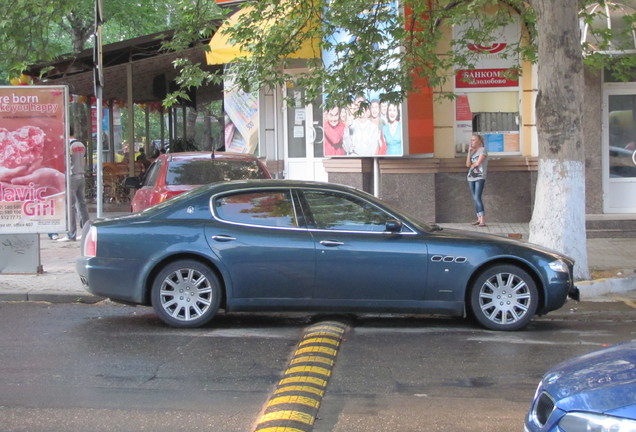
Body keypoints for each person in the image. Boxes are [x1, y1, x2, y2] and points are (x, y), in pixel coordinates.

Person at [58, 126, 90, 242]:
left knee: (70, 206)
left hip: (71, 177)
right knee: (82, 204)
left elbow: (65, 162)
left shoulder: (67, 145)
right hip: (81, 175)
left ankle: (71, 234)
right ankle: (87, 231)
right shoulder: (81, 144)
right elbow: (84, 161)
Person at [466, 133, 488, 227]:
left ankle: (482, 220)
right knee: (474, 198)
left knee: (477, 197)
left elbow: (478, 163)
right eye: (471, 140)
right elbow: (467, 165)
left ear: (479, 141)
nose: (472, 142)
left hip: (479, 176)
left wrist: (472, 164)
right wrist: (469, 152)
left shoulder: (483, 150)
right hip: (471, 177)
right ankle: (478, 218)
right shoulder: (473, 151)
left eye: (474, 140)